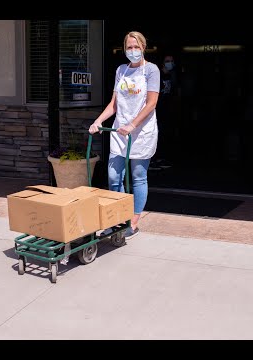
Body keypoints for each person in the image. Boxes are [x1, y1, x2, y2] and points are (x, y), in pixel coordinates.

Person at [89, 31, 160, 240]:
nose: (132, 51)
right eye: (129, 47)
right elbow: (114, 104)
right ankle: (117, 218)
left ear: (143, 47)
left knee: (138, 177)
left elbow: (152, 103)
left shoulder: (151, 70)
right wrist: (98, 121)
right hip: (120, 131)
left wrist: (132, 124)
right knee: (113, 177)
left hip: (142, 132)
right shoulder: (121, 70)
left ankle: (134, 222)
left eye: (136, 47)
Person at [150, 54, 179, 170]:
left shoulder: (172, 75)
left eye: (171, 61)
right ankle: (152, 160)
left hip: (166, 110)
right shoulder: (158, 75)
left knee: (164, 134)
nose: (170, 63)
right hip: (156, 109)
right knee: (155, 134)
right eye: (167, 61)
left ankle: (160, 158)